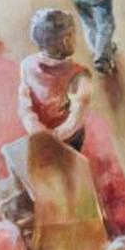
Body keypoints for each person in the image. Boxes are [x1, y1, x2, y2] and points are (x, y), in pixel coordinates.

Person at [19, 8, 93, 148]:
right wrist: (55, 137)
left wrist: (37, 130)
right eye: (73, 35)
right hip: (69, 137)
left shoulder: (26, 65)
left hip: (38, 135)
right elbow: (77, 117)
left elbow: (24, 105)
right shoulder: (80, 75)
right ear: (67, 40)